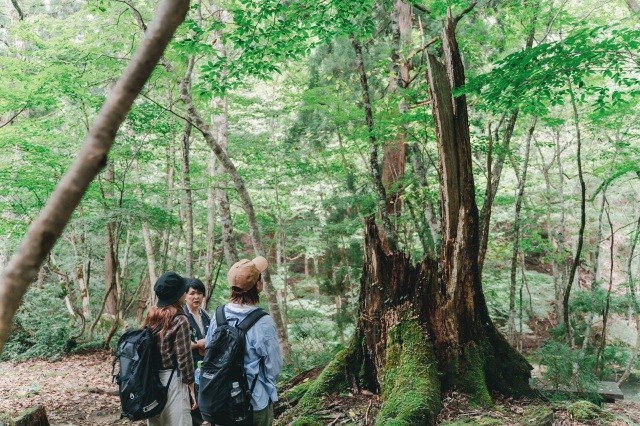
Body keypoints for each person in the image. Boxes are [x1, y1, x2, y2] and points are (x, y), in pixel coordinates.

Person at [205, 256, 283, 426]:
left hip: (221, 399)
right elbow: (273, 366)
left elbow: (209, 351)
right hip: (254, 400)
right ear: (258, 285)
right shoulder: (263, 321)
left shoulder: (218, 316)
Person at [144, 272, 197, 426]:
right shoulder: (180, 320)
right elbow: (184, 359)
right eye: (184, 290)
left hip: (151, 379)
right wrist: (191, 388)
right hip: (172, 379)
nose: (186, 292)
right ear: (178, 295)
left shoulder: (153, 314)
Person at [183, 278, 211, 426]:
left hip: (205, 365)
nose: (196, 297)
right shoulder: (182, 315)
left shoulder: (205, 314)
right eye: (192, 293)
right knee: (193, 404)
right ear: (185, 295)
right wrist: (197, 344)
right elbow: (177, 345)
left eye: (200, 293)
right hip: (188, 367)